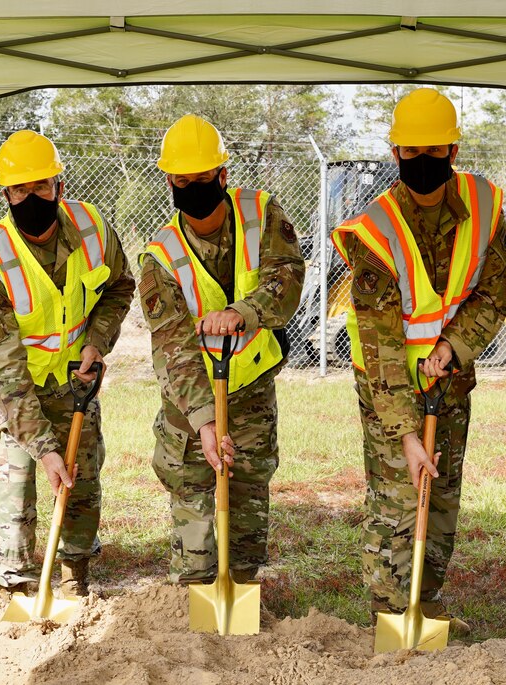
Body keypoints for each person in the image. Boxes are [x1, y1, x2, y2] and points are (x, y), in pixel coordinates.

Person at [331, 88, 506, 631]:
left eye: (435, 152)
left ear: (453, 152)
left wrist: (452, 348)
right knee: (397, 501)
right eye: (412, 154)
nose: (423, 164)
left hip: (451, 382)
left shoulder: (486, 209)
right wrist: (407, 433)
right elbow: (382, 340)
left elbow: (493, 294)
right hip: (388, 389)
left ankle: (426, 603)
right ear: (396, 156)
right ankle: (391, 612)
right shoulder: (375, 229)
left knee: (441, 499)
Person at [0, 130, 135, 597]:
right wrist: (44, 446)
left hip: (72, 383)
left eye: (42, 187)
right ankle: (13, 583)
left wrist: (96, 343)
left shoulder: (94, 228)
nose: (32, 197)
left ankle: (74, 573)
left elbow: (120, 285)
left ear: (59, 184)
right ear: (6, 193)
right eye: (20, 190)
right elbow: (3, 371)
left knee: (79, 480)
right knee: (17, 481)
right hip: (12, 391)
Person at [139, 113, 305, 584]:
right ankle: (194, 588)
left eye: (202, 178)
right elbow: (172, 347)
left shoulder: (262, 214)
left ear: (223, 176)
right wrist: (205, 422)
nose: (191, 187)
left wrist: (244, 312)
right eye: (181, 180)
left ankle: (244, 585)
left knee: (249, 492)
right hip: (190, 401)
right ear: (169, 181)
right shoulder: (161, 257)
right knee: (192, 490)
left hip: (251, 387)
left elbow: (288, 279)